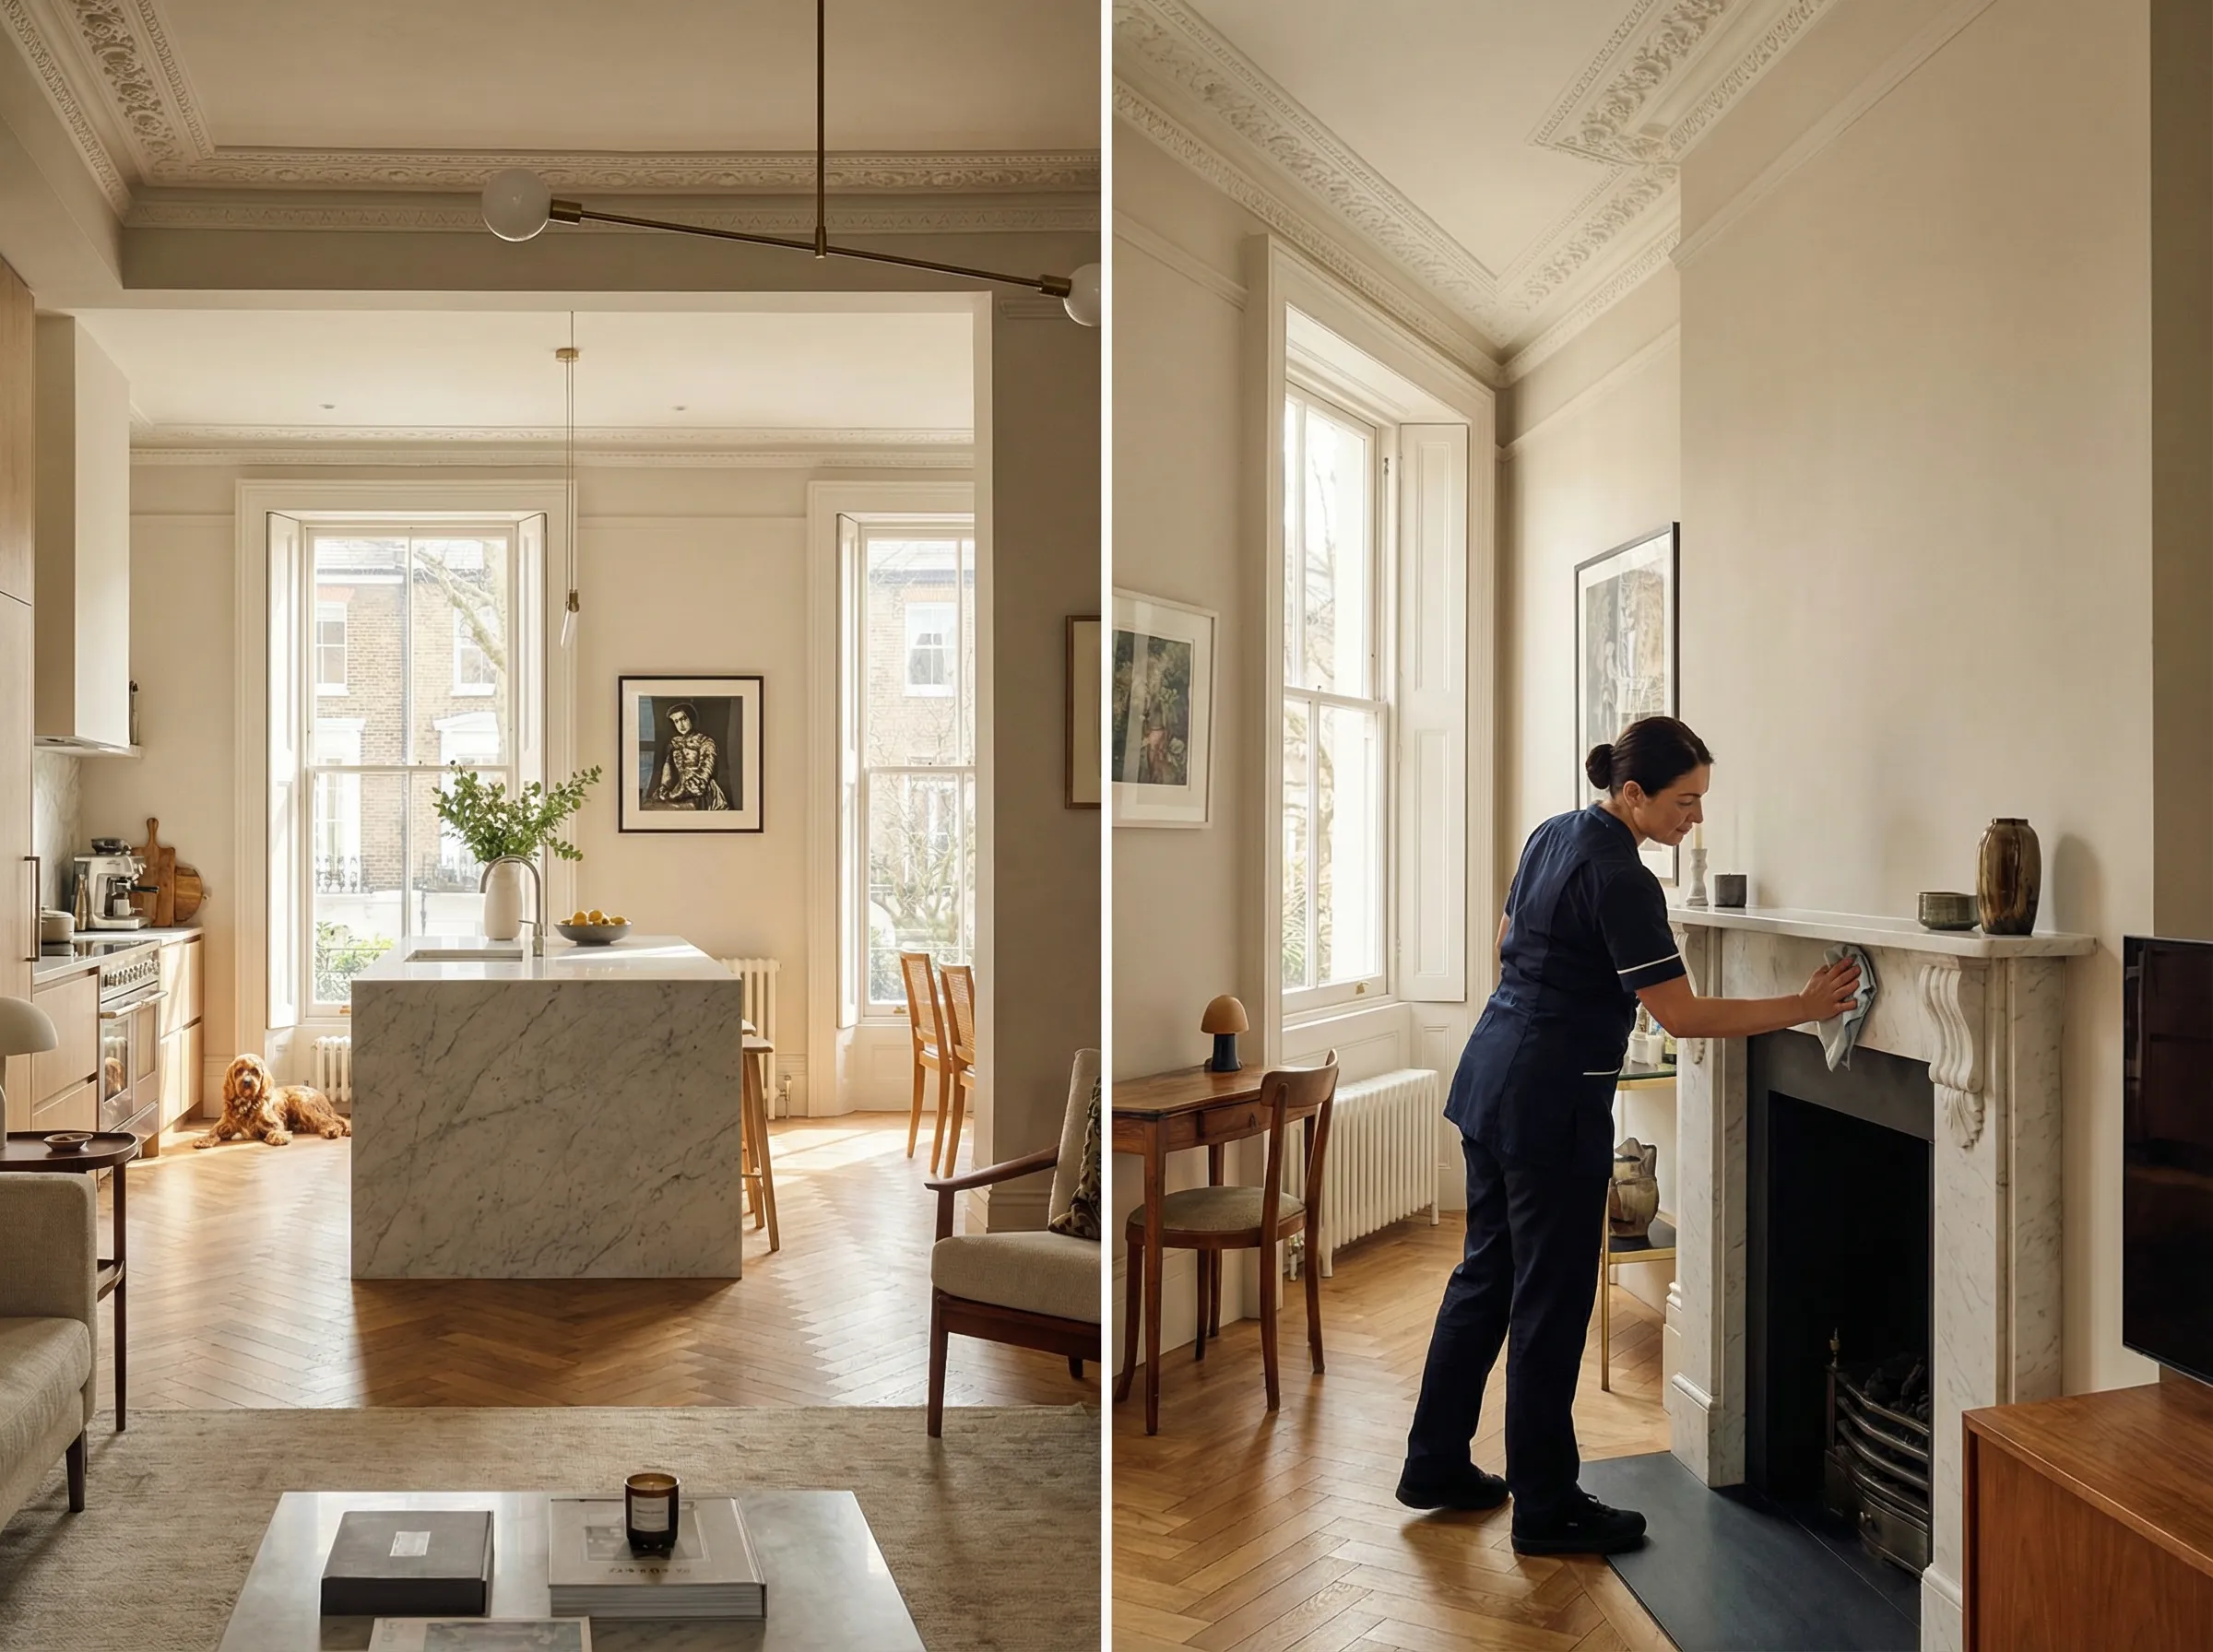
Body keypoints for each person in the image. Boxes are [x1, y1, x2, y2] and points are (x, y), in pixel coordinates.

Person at [1395, 714, 1861, 1554]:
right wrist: (1801, 1006)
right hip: (1548, 1107)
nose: (1697, 818)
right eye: (1686, 802)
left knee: (1485, 1280)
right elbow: (1680, 1016)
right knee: (1553, 1302)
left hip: (1489, 1078)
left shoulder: (1550, 835)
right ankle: (1546, 1506)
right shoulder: (1623, 879)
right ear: (1634, 794)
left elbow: (1508, 943)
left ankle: (1433, 1462)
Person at [647, 702, 729, 811]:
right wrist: (664, 786)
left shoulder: (705, 741)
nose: (681, 725)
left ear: (691, 718)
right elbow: (668, 768)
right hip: (678, 789)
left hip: (702, 790)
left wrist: (683, 790)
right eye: (676, 721)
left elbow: (705, 769)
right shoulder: (674, 743)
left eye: (683, 719)